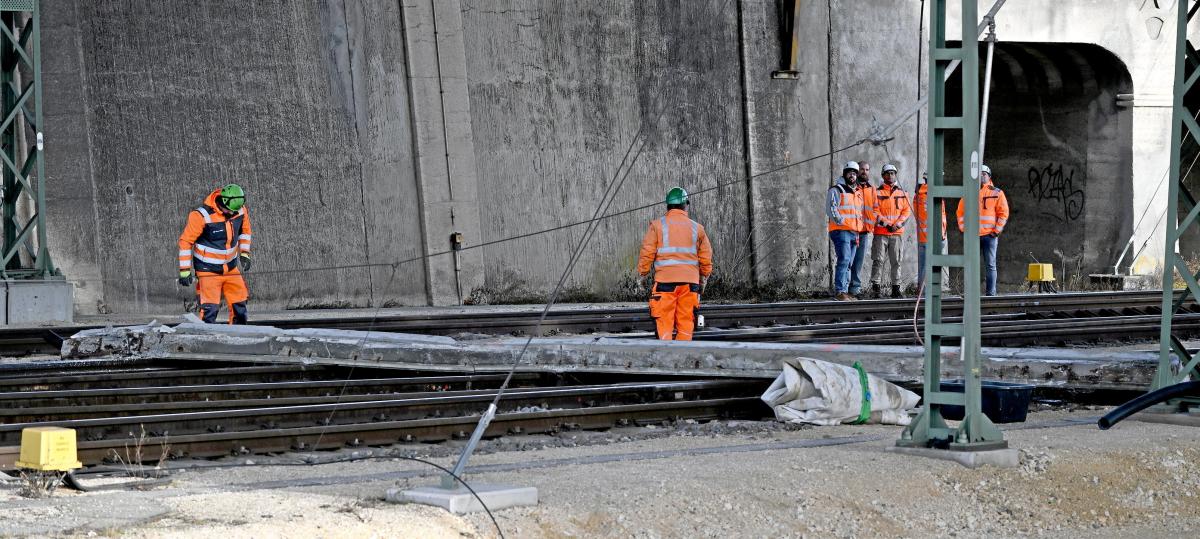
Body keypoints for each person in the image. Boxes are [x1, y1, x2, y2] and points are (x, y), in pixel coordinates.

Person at [637, 187, 714, 340]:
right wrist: (704, 277)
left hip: (665, 283)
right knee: (686, 323)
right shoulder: (697, 228)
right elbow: (705, 257)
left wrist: (642, 274)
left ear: (667, 205)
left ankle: (665, 356)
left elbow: (647, 253)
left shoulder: (657, 226)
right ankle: (682, 356)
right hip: (689, 284)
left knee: (664, 322)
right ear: (686, 205)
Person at [177, 184, 253, 324]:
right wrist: (184, 270)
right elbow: (185, 242)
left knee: (240, 305)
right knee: (209, 310)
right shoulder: (201, 216)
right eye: (230, 211)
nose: (233, 214)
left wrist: (244, 253)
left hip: (230, 268)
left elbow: (245, 232)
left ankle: (239, 338)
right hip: (208, 271)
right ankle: (206, 341)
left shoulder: (239, 211)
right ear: (222, 202)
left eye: (235, 211)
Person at [956, 165, 1009, 296]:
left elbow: (1004, 213)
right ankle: (971, 294)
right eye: (979, 174)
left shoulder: (997, 192)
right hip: (973, 236)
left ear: (989, 176)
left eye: (984, 174)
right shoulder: (969, 192)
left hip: (990, 236)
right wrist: (964, 229)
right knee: (971, 266)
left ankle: (991, 294)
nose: (981, 176)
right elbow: (960, 212)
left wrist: (996, 231)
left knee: (990, 265)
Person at [869, 164, 911, 298]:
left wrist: (897, 225)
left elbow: (907, 211)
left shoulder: (903, 192)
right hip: (881, 232)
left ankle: (896, 289)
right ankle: (876, 289)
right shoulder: (876, 192)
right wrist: (887, 224)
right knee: (878, 261)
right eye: (887, 173)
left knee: (896, 262)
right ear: (883, 175)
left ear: (895, 175)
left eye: (892, 173)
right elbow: (874, 211)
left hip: (896, 233)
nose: (890, 175)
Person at [827, 161, 862, 301]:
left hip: (854, 232)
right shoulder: (836, 189)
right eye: (849, 173)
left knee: (849, 263)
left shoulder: (857, 193)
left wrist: (858, 232)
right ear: (844, 174)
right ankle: (840, 291)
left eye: (854, 173)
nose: (852, 176)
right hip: (841, 230)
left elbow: (858, 214)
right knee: (844, 260)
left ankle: (845, 292)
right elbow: (831, 208)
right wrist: (842, 222)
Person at [914, 171, 948, 291]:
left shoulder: (920, 194)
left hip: (925, 236)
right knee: (929, 265)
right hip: (933, 236)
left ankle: (922, 290)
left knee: (924, 265)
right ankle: (926, 291)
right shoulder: (931, 194)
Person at [850, 161, 876, 296]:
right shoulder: (852, 187)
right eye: (862, 169)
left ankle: (855, 288)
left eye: (867, 169)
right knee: (848, 260)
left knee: (859, 262)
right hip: (853, 230)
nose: (864, 172)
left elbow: (875, 208)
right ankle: (844, 288)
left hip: (865, 232)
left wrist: (872, 223)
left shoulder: (872, 189)